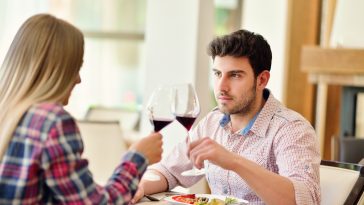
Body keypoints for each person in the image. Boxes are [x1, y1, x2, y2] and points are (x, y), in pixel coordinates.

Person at [132, 29, 321, 205]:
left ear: (261, 79)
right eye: (217, 74)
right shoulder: (212, 122)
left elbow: (305, 199)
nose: (221, 87)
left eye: (235, 75)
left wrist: (234, 161)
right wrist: (139, 186)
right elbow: (167, 171)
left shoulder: (291, 129)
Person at [0, 14, 163, 204]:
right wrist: (137, 158)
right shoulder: (53, 122)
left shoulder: (7, 112)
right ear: (56, 70)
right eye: (75, 68)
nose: (78, 79)